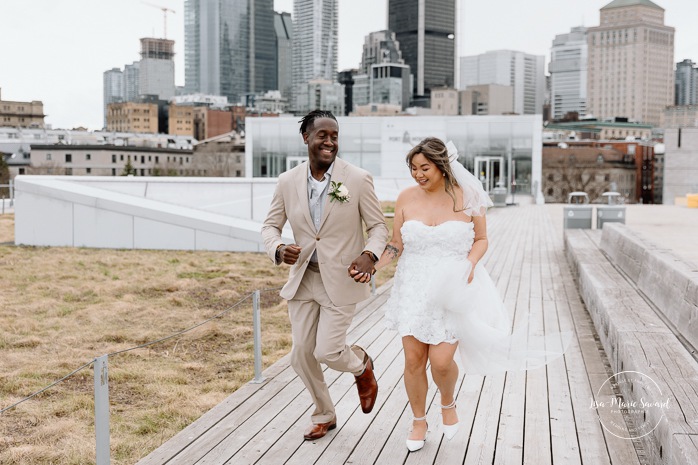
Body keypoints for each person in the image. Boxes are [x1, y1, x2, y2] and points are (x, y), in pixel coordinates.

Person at [370, 137, 569, 452]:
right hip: (413, 287)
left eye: (425, 168)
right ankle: (418, 420)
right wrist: (372, 266)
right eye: (413, 168)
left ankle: (447, 402)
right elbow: (396, 243)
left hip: (452, 286)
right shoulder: (406, 198)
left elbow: (482, 239)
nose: (418, 174)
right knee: (413, 359)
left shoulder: (469, 196)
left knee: (441, 360)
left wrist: (470, 264)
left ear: (442, 166)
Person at [262, 110, 389, 441]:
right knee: (301, 354)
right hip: (304, 278)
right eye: (322, 135)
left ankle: (362, 366)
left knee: (327, 352)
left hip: (341, 278)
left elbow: (378, 227)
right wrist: (278, 248)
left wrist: (369, 255)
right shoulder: (287, 181)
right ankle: (324, 414)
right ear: (306, 137)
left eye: (334, 135)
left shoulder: (358, 179)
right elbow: (269, 226)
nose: (329, 141)